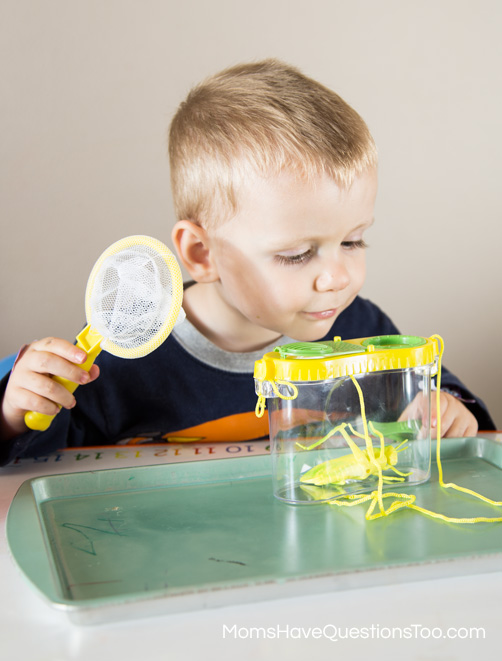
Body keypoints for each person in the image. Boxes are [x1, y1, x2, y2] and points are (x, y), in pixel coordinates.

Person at [0, 59, 495, 466]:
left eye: (354, 241)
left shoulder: (359, 329)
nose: (338, 276)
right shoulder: (122, 359)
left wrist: (449, 412)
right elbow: (35, 469)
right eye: (297, 254)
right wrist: (13, 414)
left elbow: (450, 409)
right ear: (202, 254)